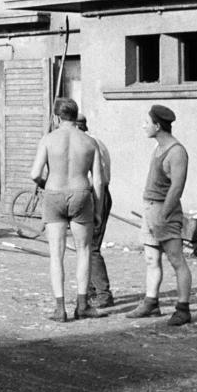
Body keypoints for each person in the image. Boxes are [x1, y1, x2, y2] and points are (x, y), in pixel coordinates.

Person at [28, 98, 103, 322]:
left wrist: (47, 185)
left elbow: (34, 173)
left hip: (54, 193)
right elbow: (98, 181)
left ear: (56, 117)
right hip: (81, 194)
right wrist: (98, 210)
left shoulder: (48, 139)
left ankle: (60, 309)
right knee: (84, 251)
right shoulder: (90, 142)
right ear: (75, 115)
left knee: (56, 253)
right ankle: (82, 305)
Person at [129, 104, 193, 326]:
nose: (143, 126)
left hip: (164, 211)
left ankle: (183, 309)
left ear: (157, 126)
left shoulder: (176, 152)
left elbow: (177, 187)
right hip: (150, 209)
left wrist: (164, 214)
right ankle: (151, 303)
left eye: (146, 123)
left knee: (176, 260)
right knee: (151, 259)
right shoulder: (158, 148)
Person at [75, 115, 114, 310]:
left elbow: (94, 179)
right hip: (102, 194)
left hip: (94, 195)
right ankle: (90, 291)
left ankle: (103, 293)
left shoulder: (87, 145)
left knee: (91, 247)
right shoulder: (98, 141)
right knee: (86, 247)